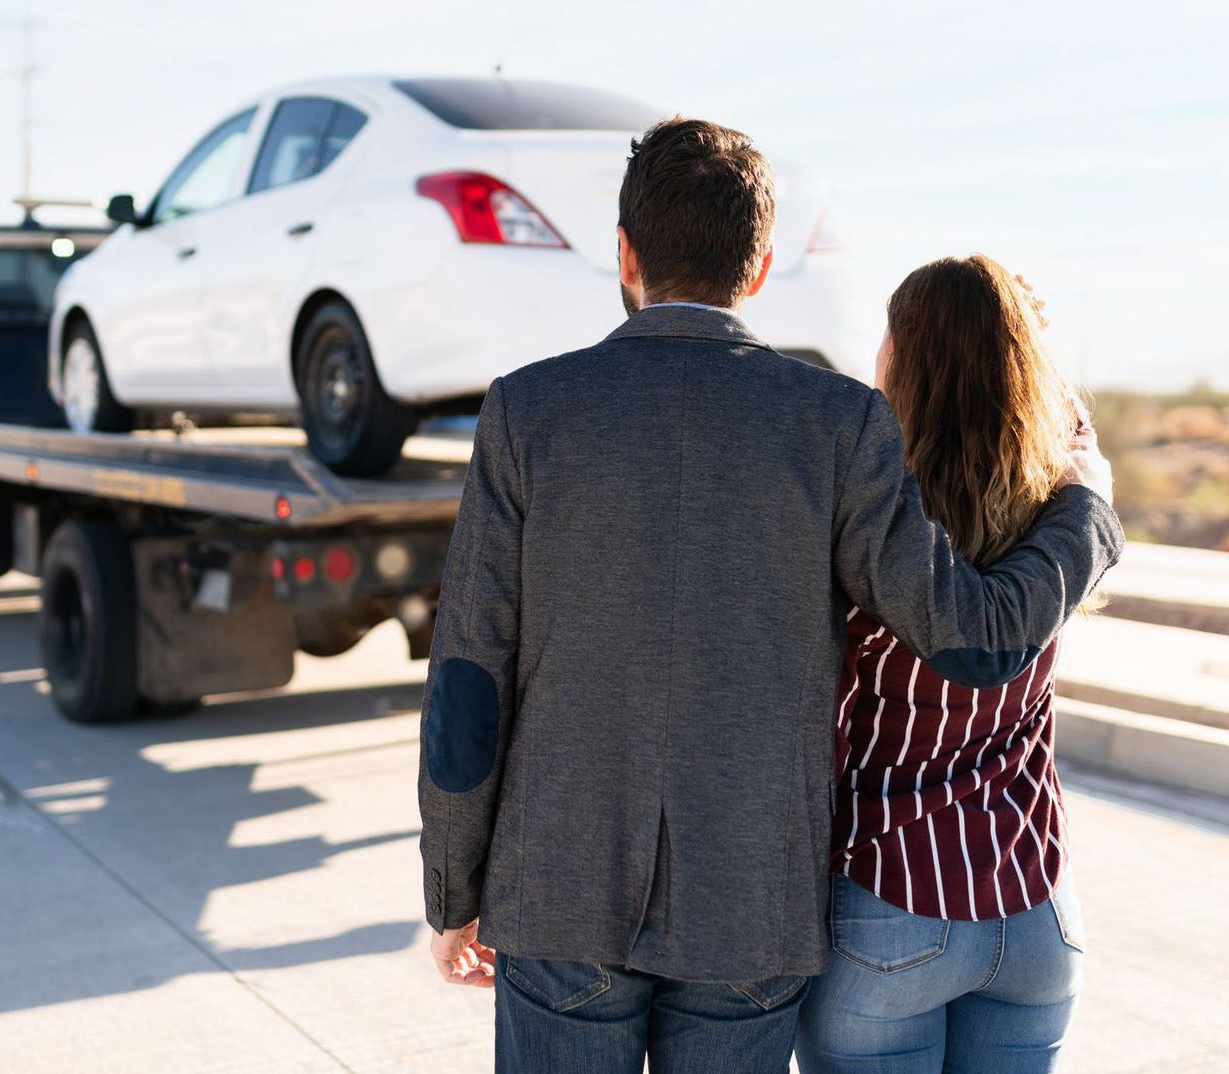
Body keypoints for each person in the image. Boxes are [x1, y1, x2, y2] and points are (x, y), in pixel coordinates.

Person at [416, 117, 1122, 1074]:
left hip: (560, 894)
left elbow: (468, 678)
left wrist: (454, 886)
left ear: (624, 255)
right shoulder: (840, 421)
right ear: (760, 267)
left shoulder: (526, 410)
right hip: (752, 910)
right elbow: (971, 636)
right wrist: (1085, 512)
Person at [796, 255, 1100, 1074]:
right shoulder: (1054, 517)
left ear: (903, 358)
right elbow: (1075, 442)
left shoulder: (871, 526)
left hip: (891, 906)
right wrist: (1026, 345)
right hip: (1035, 910)